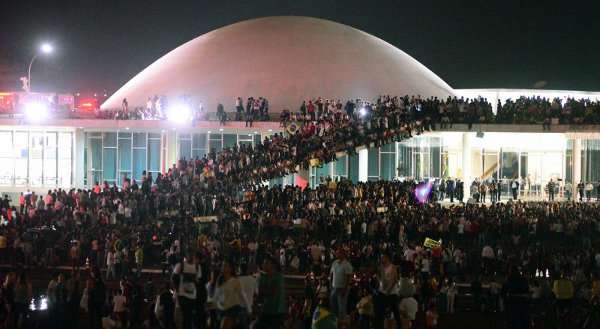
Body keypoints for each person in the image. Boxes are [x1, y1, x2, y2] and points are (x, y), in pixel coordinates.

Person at [214, 259, 249, 329]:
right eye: (223, 266)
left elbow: (242, 295)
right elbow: (216, 295)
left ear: (230, 269)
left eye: (225, 266)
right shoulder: (219, 280)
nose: (223, 267)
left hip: (232, 310)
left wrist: (248, 309)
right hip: (221, 309)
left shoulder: (235, 281)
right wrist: (213, 304)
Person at [254, 256, 287, 329]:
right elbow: (259, 293)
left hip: (276, 311)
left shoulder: (279, 277)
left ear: (273, 265)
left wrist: (262, 291)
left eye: (266, 263)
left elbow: (272, 292)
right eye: (263, 263)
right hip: (265, 310)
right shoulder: (263, 277)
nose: (263, 265)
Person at [173, 251, 202, 329]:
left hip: (192, 296)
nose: (191, 256)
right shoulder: (180, 265)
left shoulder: (197, 267)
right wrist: (177, 290)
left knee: (188, 317)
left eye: (192, 255)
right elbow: (174, 278)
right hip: (183, 295)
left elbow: (198, 281)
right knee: (185, 317)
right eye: (189, 254)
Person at [374, 253, 400, 329]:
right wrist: (379, 277)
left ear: (387, 258)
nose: (381, 259)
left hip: (391, 293)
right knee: (380, 312)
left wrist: (387, 291)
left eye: (382, 258)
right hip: (383, 292)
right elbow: (383, 282)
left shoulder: (393, 267)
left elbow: (394, 280)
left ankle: (399, 326)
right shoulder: (382, 268)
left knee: (395, 312)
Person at [329, 248, 353, 320]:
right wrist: (330, 284)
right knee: (333, 305)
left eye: (338, 253)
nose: (337, 254)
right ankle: (334, 321)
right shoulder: (334, 262)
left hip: (342, 288)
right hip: (334, 287)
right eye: (336, 253)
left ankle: (341, 322)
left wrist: (345, 289)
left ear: (343, 254)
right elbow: (331, 274)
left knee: (341, 307)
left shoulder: (347, 264)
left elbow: (349, 278)